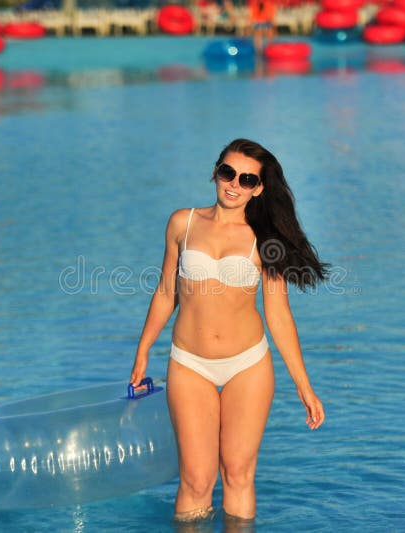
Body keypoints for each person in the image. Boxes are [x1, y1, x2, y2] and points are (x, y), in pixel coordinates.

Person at [130, 138, 328, 524]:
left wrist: (304, 385)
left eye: (246, 178)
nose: (233, 184)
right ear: (215, 172)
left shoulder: (266, 239)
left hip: (247, 365)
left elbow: (279, 314)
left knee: (237, 474)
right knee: (195, 480)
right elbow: (166, 291)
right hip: (189, 363)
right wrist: (142, 352)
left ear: (259, 188)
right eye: (227, 172)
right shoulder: (182, 224)